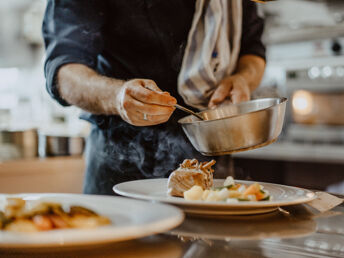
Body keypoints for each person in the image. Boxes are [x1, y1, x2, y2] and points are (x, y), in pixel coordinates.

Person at [42, 0, 266, 195]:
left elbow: (253, 49)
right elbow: (65, 70)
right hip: (122, 163)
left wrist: (244, 79)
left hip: (212, 159)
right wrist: (117, 97)